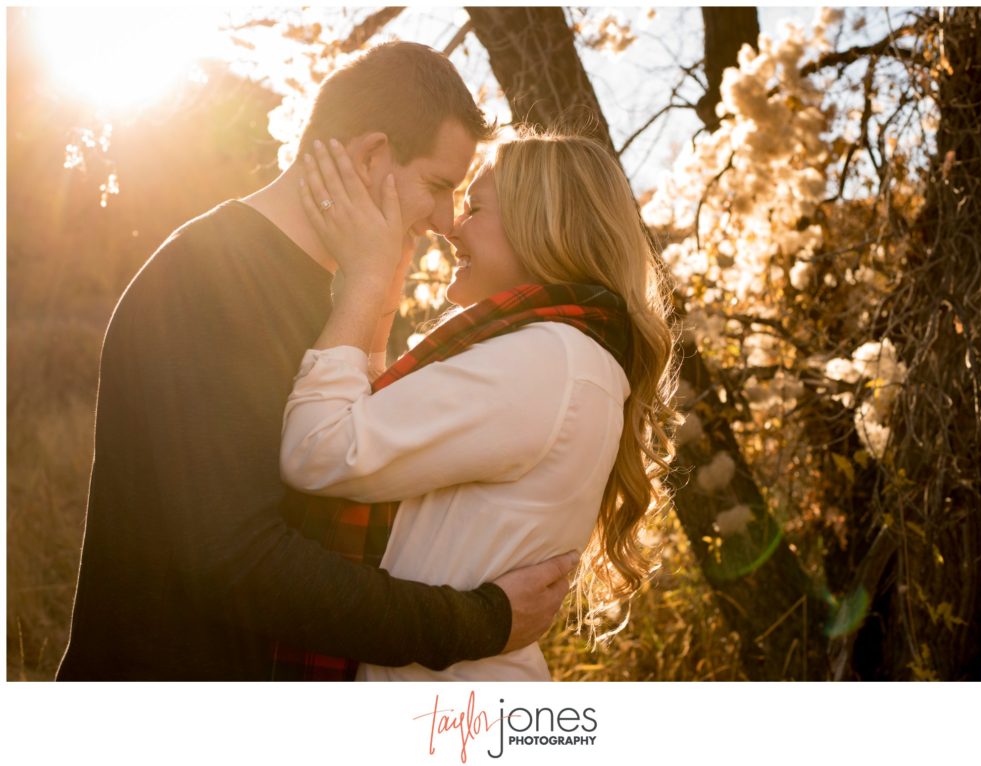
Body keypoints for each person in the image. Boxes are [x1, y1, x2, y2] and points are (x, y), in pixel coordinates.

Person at [56, 42, 577, 681]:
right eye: (438, 186)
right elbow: (239, 561)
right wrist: (478, 623)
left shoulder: (347, 298)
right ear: (368, 157)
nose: (446, 220)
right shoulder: (203, 280)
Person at [279, 131, 676, 681]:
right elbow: (378, 422)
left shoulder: (545, 359)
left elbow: (318, 449)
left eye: (475, 207)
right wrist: (387, 286)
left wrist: (362, 283)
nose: (452, 228)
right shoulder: (562, 355)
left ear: (540, 222)